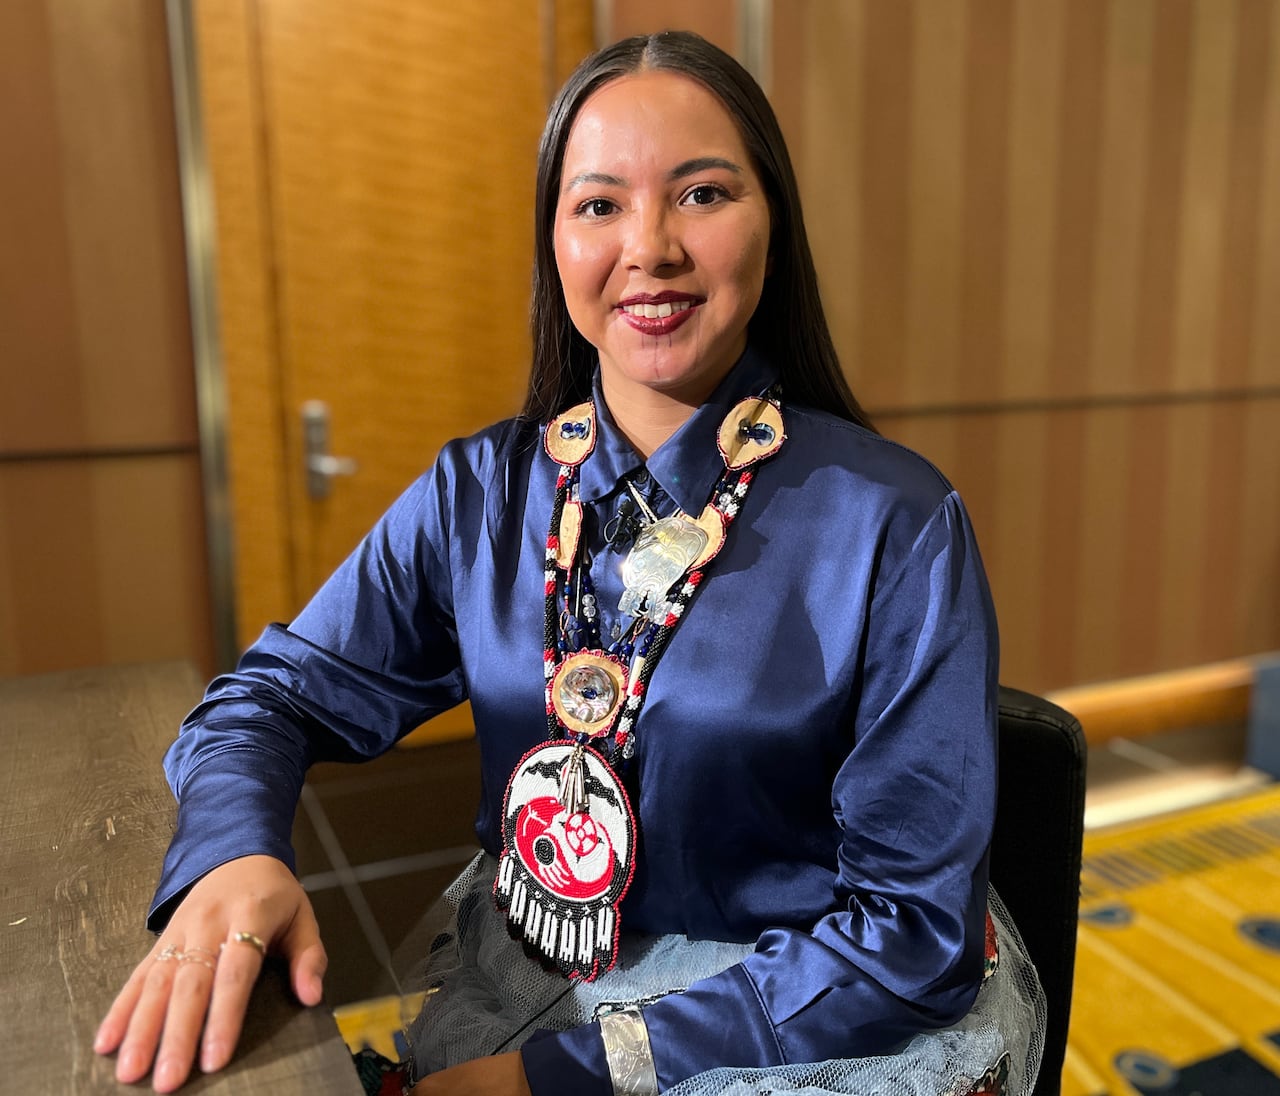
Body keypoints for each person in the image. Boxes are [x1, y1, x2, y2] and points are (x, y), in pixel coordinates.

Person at [95, 29, 1045, 1096]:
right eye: (598, 204)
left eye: (700, 194)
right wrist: (229, 854)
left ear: (772, 221)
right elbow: (266, 697)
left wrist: (558, 1076)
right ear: (552, 239)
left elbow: (909, 936)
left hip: (803, 1024)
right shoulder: (482, 494)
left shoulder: (896, 521)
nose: (648, 247)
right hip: (547, 971)